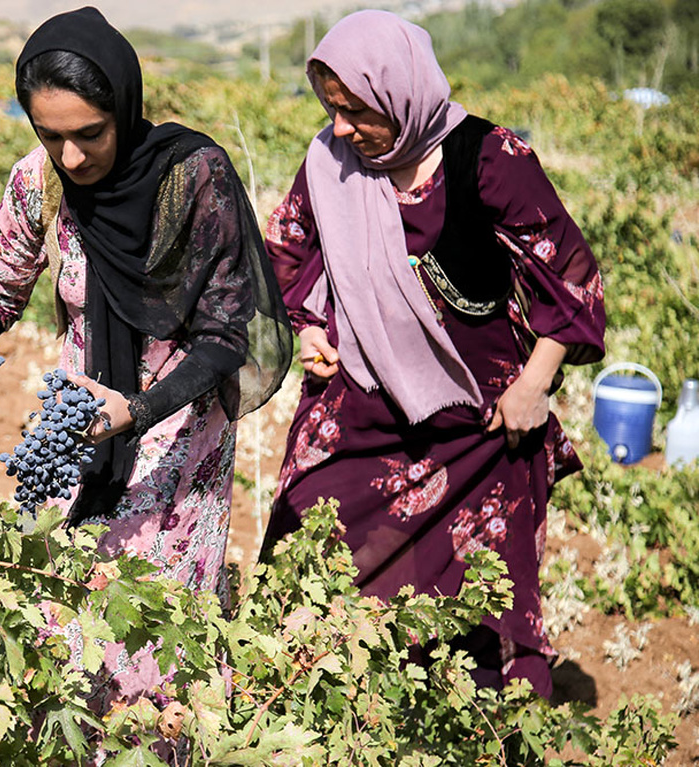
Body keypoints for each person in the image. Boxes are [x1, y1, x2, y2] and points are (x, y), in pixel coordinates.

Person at [0, 6, 290, 704]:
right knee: (60, 613)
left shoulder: (192, 177)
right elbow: (0, 293)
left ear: (123, 104)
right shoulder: (39, 181)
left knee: (150, 630)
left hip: (175, 433)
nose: (72, 157)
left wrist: (138, 409)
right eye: (50, 136)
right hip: (80, 417)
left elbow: (224, 337)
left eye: (89, 134)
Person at [258, 10, 605, 698]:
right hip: (358, 405)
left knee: (476, 596)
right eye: (331, 110)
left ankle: (475, 725)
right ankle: (322, 704)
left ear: (402, 95)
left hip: (480, 423)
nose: (339, 129)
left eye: (357, 112)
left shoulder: (489, 158)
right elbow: (286, 249)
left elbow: (571, 279)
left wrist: (534, 386)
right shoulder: (329, 163)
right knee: (308, 534)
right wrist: (307, 329)